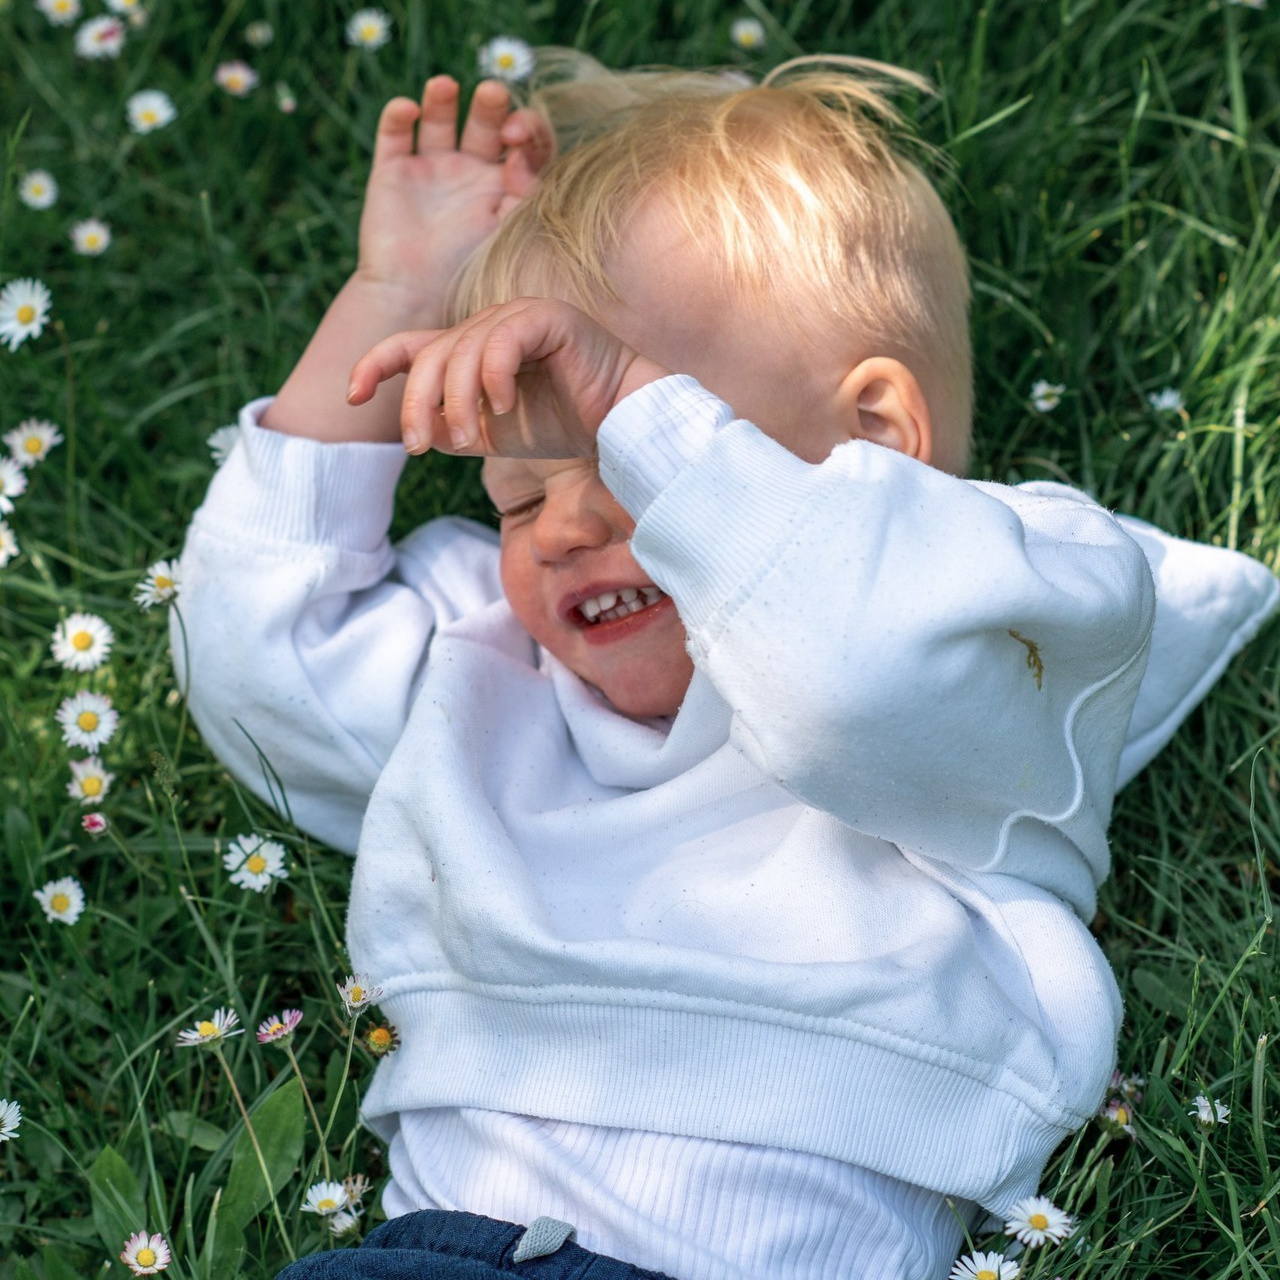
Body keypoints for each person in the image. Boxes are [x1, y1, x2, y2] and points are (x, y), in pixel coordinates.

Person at [175, 54, 1276, 1280]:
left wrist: (638, 413)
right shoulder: (481, 663)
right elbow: (252, 654)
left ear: (871, 441)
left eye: (629, 457)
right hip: (433, 1251)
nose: (564, 528)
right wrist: (392, 295)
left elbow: (854, 672)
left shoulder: (990, 622)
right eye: (516, 496)